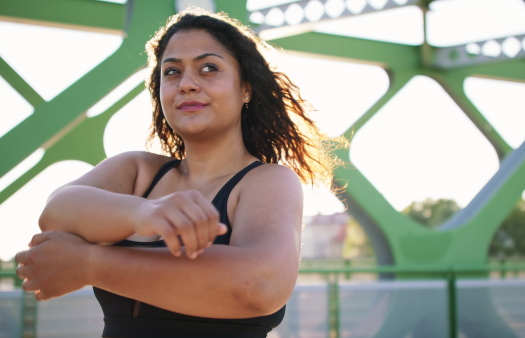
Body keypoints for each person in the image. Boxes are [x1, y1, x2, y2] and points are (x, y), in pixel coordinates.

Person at [15, 7, 344, 338]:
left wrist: (91, 265)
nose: (186, 84)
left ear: (245, 88)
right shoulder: (137, 172)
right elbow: (55, 215)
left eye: (208, 68)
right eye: (171, 72)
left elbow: (259, 286)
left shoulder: (268, 180)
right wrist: (145, 213)